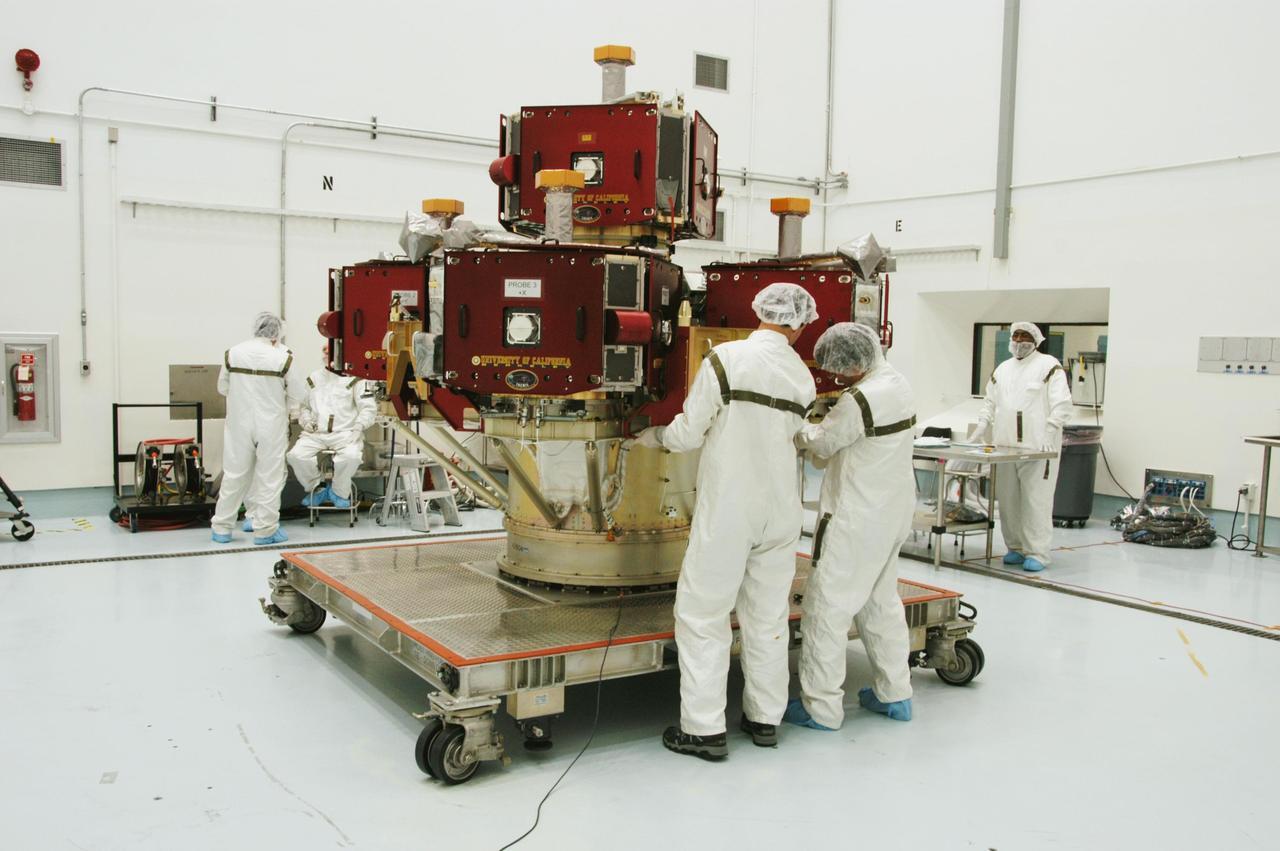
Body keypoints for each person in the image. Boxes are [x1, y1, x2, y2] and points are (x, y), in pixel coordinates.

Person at [636, 282, 818, 760]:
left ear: (761, 312)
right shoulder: (802, 375)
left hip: (731, 509)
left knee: (702, 614)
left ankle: (703, 729)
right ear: (797, 323)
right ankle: (764, 719)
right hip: (781, 512)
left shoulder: (727, 358)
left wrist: (653, 436)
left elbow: (690, 431)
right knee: (767, 617)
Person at [783, 322, 917, 732]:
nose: (837, 378)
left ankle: (821, 708)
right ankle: (896, 693)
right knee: (880, 603)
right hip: (892, 512)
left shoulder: (859, 400)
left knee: (826, 608)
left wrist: (798, 425)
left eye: (840, 370)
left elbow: (823, 443)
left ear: (855, 363)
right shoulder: (897, 382)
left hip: (855, 519)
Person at [974, 321, 1072, 572]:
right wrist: (983, 424)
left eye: (1025, 336)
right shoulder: (1003, 369)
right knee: (1008, 501)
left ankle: (1037, 552)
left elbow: (1061, 403)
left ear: (1036, 341)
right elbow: (990, 401)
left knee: (1035, 500)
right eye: (1015, 335)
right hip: (1005, 447)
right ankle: (1015, 547)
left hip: (1038, 447)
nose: (1019, 341)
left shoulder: (1049, 366)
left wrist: (1051, 429)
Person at [210, 312, 305, 545]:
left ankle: (221, 527)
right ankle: (265, 530)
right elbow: (298, 393)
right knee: (269, 477)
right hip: (271, 424)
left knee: (234, 474)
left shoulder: (233, 353)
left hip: (238, 423)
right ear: (276, 335)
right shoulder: (283, 357)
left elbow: (222, 388)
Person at [287, 348, 377, 509]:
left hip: (345, 432)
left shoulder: (356, 379)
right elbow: (304, 406)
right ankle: (317, 488)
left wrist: (359, 426)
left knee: (351, 457)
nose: (330, 357)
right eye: (327, 354)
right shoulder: (314, 378)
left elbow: (368, 408)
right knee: (295, 456)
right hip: (315, 433)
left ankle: (339, 492)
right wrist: (306, 420)